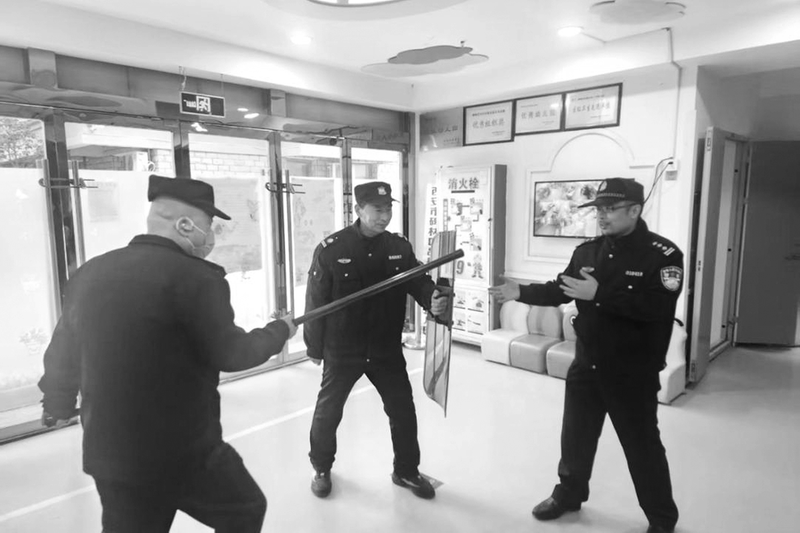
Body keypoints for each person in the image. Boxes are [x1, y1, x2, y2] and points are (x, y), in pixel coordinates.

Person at [38, 174, 297, 533]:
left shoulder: (91, 272)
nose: (211, 236)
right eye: (209, 226)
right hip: (183, 452)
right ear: (185, 225)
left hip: (111, 451)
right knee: (244, 509)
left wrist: (57, 403)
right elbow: (233, 353)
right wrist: (279, 330)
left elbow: (64, 348)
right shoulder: (196, 278)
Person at [489, 178, 683, 533]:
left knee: (642, 447)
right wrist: (521, 292)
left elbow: (656, 307)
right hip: (587, 363)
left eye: (610, 209)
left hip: (632, 371)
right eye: (599, 210)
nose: (602, 216)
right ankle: (569, 495)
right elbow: (560, 290)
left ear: (635, 210)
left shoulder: (663, 255)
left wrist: (600, 294)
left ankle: (661, 518)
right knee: (575, 438)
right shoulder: (588, 253)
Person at [304, 181, 448, 500]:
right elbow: (315, 301)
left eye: (388, 209)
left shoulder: (398, 247)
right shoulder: (332, 249)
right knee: (328, 411)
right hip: (343, 348)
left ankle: (406, 470)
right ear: (358, 209)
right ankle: (321, 468)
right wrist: (314, 347)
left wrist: (432, 299)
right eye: (377, 209)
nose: (385, 216)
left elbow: (418, 280)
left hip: (385, 347)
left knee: (402, 410)